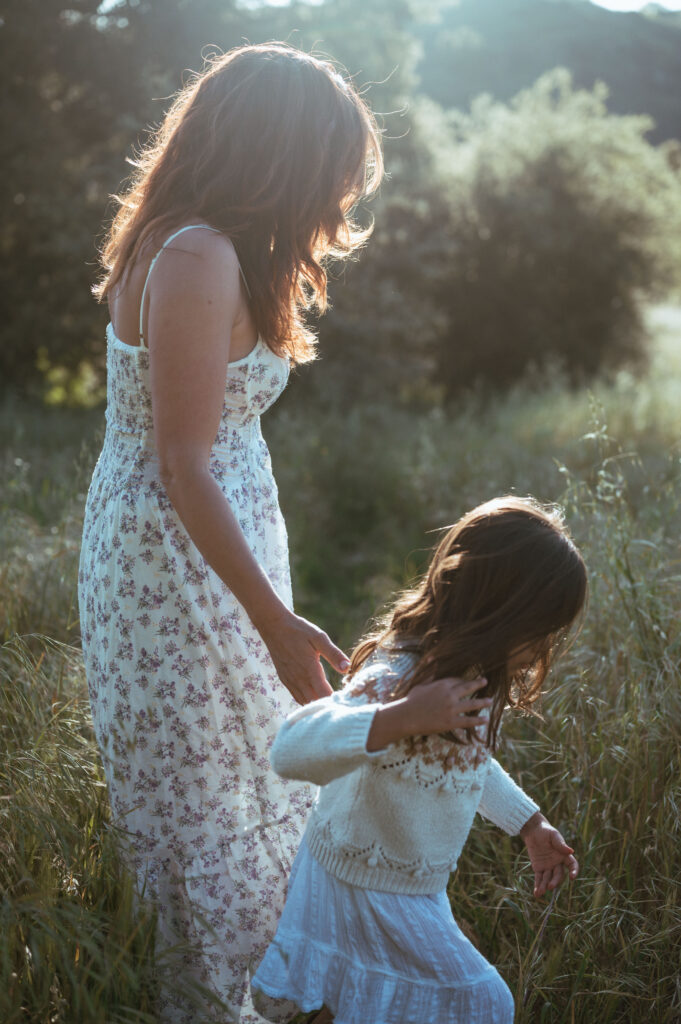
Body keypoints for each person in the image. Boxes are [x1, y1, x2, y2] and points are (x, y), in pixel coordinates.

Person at [78, 42, 383, 1024]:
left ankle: (245, 993)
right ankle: (203, 1004)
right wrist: (276, 623)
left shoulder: (210, 247)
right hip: (175, 568)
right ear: (280, 155)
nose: (337, 198)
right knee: (202, 797)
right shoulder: (198, 254)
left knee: (248, 776)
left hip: (217, 555)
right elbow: (182, 462)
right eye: (331, 169)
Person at [251, 496, 588, 1024]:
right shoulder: (398, 679)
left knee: (359, 1008)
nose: (543, 647)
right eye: (539, 630)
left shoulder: (477, 672)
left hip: (411, 887)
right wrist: (402, 716)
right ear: (500, 610)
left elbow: (462, 765)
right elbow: (290, 749)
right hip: (355, 882)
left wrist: (529, 822)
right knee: (485, 1003)